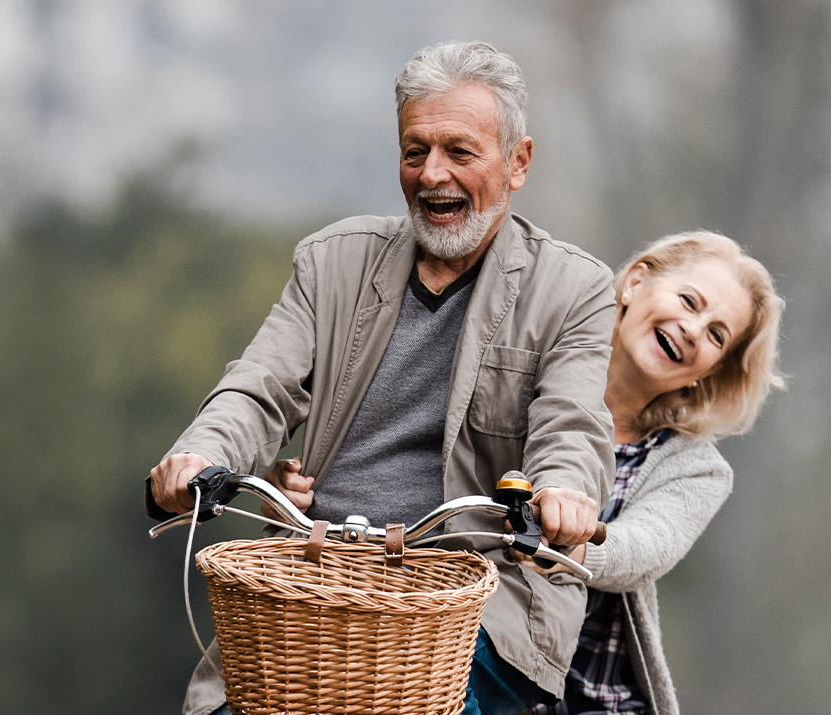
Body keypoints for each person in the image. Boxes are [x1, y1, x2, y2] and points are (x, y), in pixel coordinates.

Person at [145, 40, 614, 715]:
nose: (433, 175)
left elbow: (572, 422)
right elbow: (258, 384)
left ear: (518, 162)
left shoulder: (574, 288)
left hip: (472, 596)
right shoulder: (331, 261)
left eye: (460, 151)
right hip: (318, 579)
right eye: (415, 151)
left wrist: (563, 491)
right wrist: (202, 454)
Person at [523, 231, 785, 715]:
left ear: (707, 371)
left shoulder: (697, 470)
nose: (692, 329)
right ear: (635, 283)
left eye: (715, 335)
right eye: (689, 301)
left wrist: (568, 542)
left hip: (595, 702)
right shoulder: (525, 379)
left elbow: (646, 546)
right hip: (464, 659)